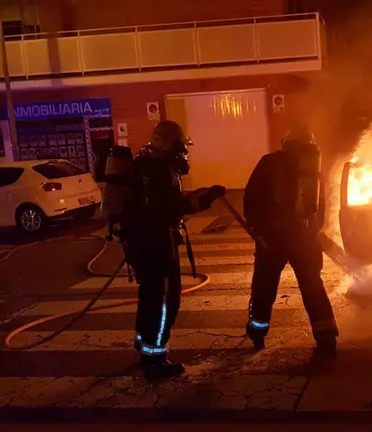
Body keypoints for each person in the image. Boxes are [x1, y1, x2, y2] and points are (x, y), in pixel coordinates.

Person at [122, 120, 226, 380]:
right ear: (169, 142)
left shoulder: (145, 161)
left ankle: (144, 344)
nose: (183, 152)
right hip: (156, 243)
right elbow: (172, 205)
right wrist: (205, 199)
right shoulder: (159, 168)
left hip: (141, 242)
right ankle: (156, 361)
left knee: (149, 295)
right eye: (180, 146)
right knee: (166, 300)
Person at [243, 126, 338, 356]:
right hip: (304, 239)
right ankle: (326, 337)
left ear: (285, 142)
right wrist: (313, 232)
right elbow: (320, 206)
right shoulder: (313, 166)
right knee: (313, 287)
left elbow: (251, 196)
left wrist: (258, 229)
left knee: (264, 287)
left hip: (272, 240)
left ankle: (257, 332)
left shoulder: (268, 162)